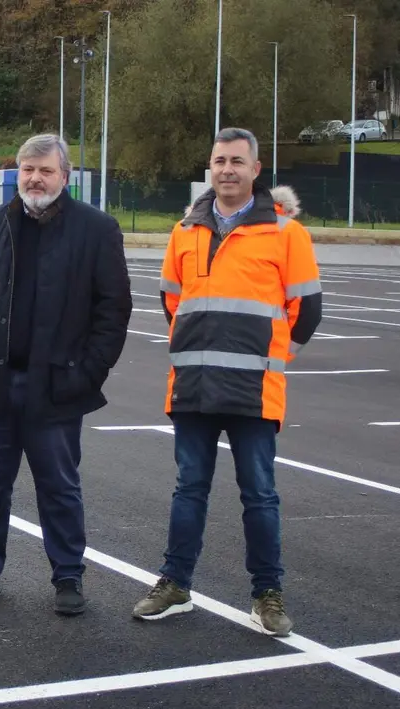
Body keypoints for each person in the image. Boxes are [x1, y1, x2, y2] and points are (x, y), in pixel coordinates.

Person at [132, 128, 322, 637]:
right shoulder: (183, 231)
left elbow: (307, 312)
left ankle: (267, 594)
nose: (227, 170)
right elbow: (172, 301)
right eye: (219, 161)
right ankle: (175, 585)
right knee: (188, 489)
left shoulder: (286, 234)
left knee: (260, 494)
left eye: (238, 161)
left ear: (256, 170)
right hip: (193, 387)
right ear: (210, 167)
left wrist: (272, 360)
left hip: (254, 390)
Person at [0, 133, 132, 615]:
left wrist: (87, 374)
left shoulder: (96, 230)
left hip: (57, 385)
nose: (35, 178)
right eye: (27, 169)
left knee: (59, 486)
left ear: (64, 176)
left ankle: (67, 576)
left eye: (45, 170)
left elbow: (113, 309)